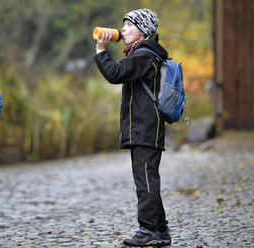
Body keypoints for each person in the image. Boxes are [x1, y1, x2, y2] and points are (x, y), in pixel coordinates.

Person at [94, 9, 171, 247]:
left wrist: (100, 51)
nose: (123, 29)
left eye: (129, 25)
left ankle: (149, 231)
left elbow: (115, 74)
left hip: (145, 128)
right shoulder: (143, 54)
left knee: (145, 181)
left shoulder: (144, 55)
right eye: (123, 25)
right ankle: (160, 230)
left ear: (143, 30)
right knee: (148, 179)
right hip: (145, 127)